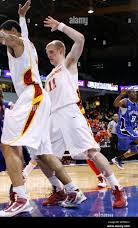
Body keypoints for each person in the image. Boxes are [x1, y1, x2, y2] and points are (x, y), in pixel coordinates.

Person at [0, 0, 87, 217]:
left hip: (33, 97)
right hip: (37, 99)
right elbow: (25, 33)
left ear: (11, 32)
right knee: (43, 154)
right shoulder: (27, 43)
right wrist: (22, 17)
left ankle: (21, 198)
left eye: (5, 34)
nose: (3, 39)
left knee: (8, 143)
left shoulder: (17, 41)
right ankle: (73, 191)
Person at [43, 15, 127, 208]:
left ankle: (117, 189)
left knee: (91, 152)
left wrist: (60, 26)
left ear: (61, 51)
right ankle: (61, 190)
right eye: (47, 53)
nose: (49, 55)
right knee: (44, 157)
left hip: (70, 112)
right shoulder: (48, 76)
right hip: (53, 117)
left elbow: (80, 39)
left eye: (52, 52)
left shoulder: (68, 64)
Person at [112, 88, 138, 169]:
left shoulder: (136, 106)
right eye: (132, 92)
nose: (135, 93)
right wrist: (121, 95)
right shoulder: (125, 101)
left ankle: (118, 159)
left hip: (131, 129)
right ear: (129, 94)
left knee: (134, 151)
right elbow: (115, 104)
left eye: (135, 92)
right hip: (123, 127)